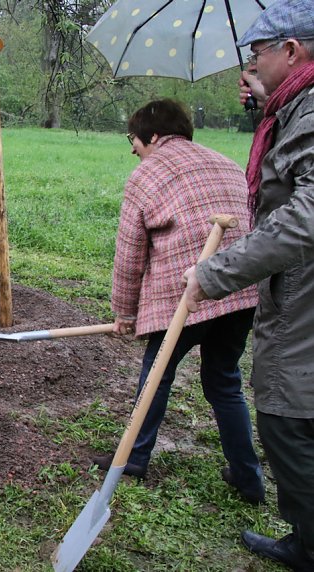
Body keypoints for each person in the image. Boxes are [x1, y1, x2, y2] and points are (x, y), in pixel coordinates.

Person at [183, 1, 314, 569]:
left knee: (288, 423)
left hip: (304, 294)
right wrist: (269, 107)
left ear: (292, 50)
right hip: (294, 290)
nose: (251, 64)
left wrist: (215, 272)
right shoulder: (295, 106)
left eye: (258, 53)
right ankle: (304, 540)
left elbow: (306, 215)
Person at [91, 99, 264, 505]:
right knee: (224, 380)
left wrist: (125, 313)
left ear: (153, 136)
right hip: (241, 290)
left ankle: (133, 458)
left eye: (133, 139)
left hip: (189, 292)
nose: (132, 148)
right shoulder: (225, 161)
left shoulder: (146, 174)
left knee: (157, 373)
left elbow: (130, 254)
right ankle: (248, 477)